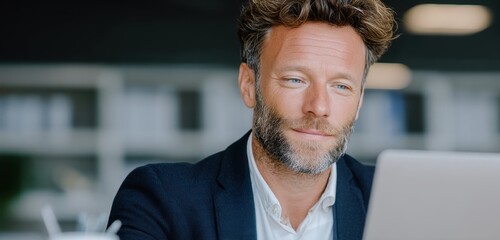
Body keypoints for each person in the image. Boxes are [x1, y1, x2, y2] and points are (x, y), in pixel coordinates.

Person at [107, 0, 396, 239]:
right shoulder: (162, 200)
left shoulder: (395, 201)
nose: (318, 107)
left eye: (341, 86)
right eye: (295, 80)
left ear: (359, 102)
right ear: (248, 86)